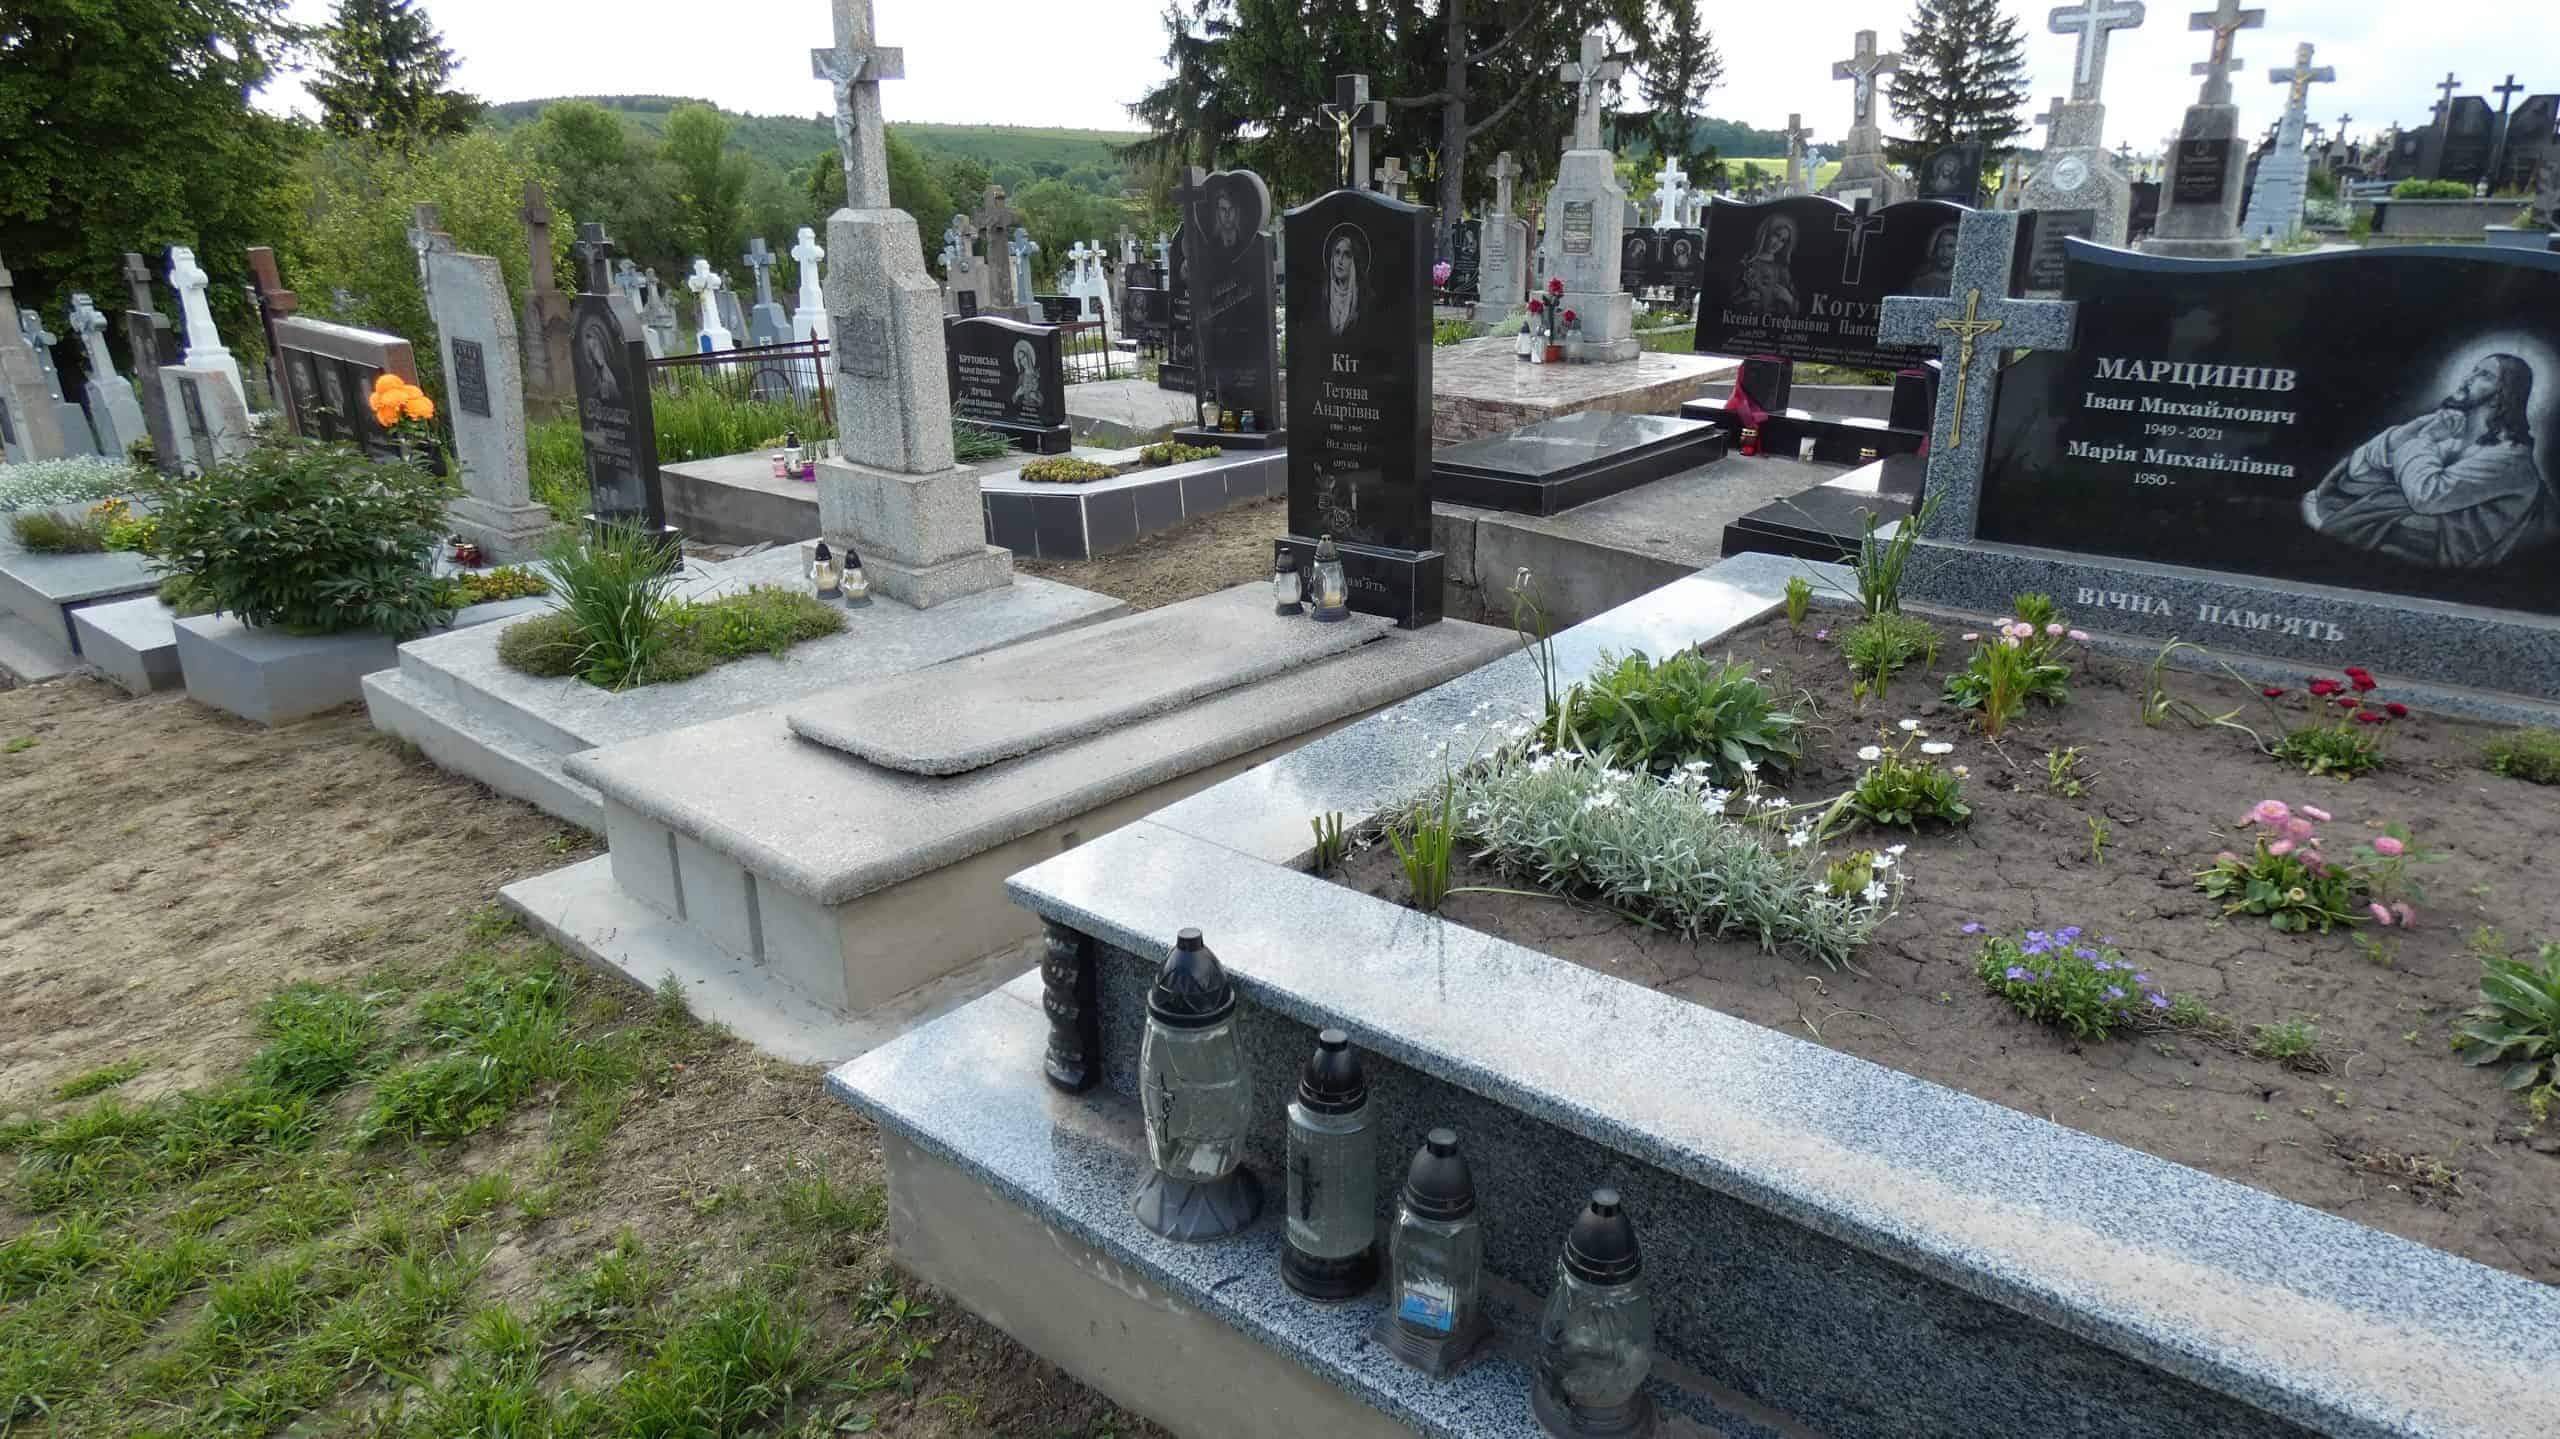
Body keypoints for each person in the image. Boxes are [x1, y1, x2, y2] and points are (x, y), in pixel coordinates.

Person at [2301, 353, 2555, 569]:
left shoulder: (2508, 458)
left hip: (2455, 551)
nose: (2468, 378)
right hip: (2430, 528)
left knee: (2392, 507)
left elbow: (2427, 497)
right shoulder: (2456, 436)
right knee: (2377, 491)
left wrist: (2424, 440)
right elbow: (2361, 468)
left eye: (2484, 375)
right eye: (2473, 370)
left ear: (2503, 394)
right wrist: (2413, 431)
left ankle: (2335, 525)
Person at [1728, 215, 1798, 317]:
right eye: (1776, 235)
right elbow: (1728, 302)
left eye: (1783, 240)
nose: (1777, 243)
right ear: (1766, 233)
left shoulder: (1782, 270)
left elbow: (1797, 311)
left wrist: (1788, 298)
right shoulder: (1745, 264)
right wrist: (1745, 297)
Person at [1325, 226, 1365, 338]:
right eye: (1337, 253)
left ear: (1354, 262)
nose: (1340, 260)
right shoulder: (1324, 298)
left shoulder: (1365, 300)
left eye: (1347, 254)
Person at [1904, 223, 1959, 297]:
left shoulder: (1963, 282)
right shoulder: (1920, 284)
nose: (1944, 252)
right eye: (1940, 246)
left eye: (1950, 246)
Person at [1010, 337, 1043, 412]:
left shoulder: (1038, 373)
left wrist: (1036, 398)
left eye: (1023, 357)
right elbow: (1013, 400)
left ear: (1028, 355)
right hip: (1024, 411)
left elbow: (1046, 399)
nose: (1023, 361)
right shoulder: (1021, 377)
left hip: (1038, 412)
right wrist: (1017, 393)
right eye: (1020, 360)